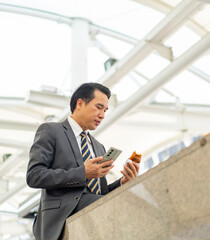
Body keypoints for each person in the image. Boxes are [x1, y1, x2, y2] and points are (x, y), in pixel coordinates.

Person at [26, 83, 139, 240]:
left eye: (105, 110)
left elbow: (101, 194)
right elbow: (34, 176)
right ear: (80, 104)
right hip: (61, 213)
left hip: (92, 208)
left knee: (130, 203)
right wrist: (82, 173)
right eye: (98, 107)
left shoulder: (99, 147)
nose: (102, 115)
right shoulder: (51, 131)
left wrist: (121, 183)